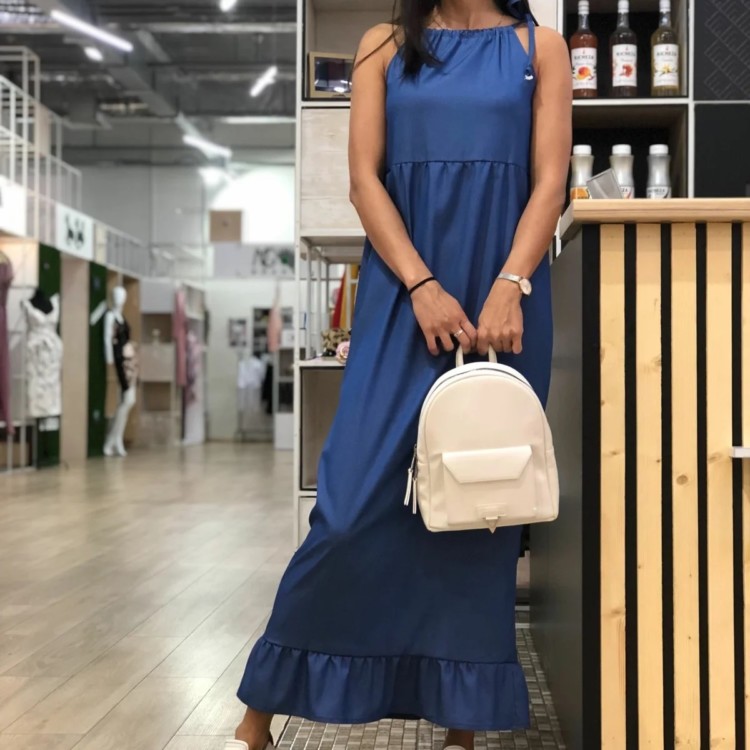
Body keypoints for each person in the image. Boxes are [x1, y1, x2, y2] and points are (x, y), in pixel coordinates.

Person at [226, 0, 571, 748]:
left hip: (503, 299)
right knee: (349, 507)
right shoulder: (383, 44)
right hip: (402, 294)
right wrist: (421, 284)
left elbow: (551, 183)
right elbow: (363, 180)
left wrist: (511, 283)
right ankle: (259, 715)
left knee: (478, 504)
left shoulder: (540, 47)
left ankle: (462, 728)